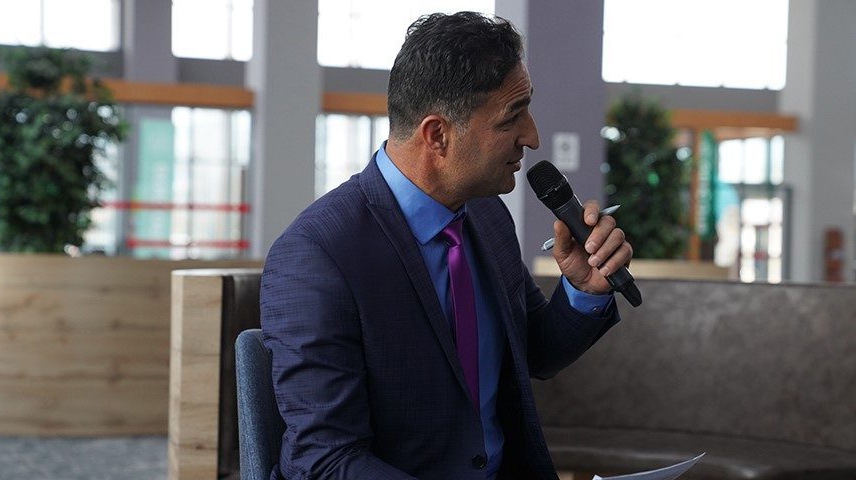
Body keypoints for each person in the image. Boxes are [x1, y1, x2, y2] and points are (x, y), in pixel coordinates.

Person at [260, 11, 633, 480]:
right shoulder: (316, 256)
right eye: (512, 117)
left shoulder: (486, 215)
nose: (533, 137)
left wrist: (583, 289)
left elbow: (535, 352)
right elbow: (325, 460)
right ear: (437, 134)